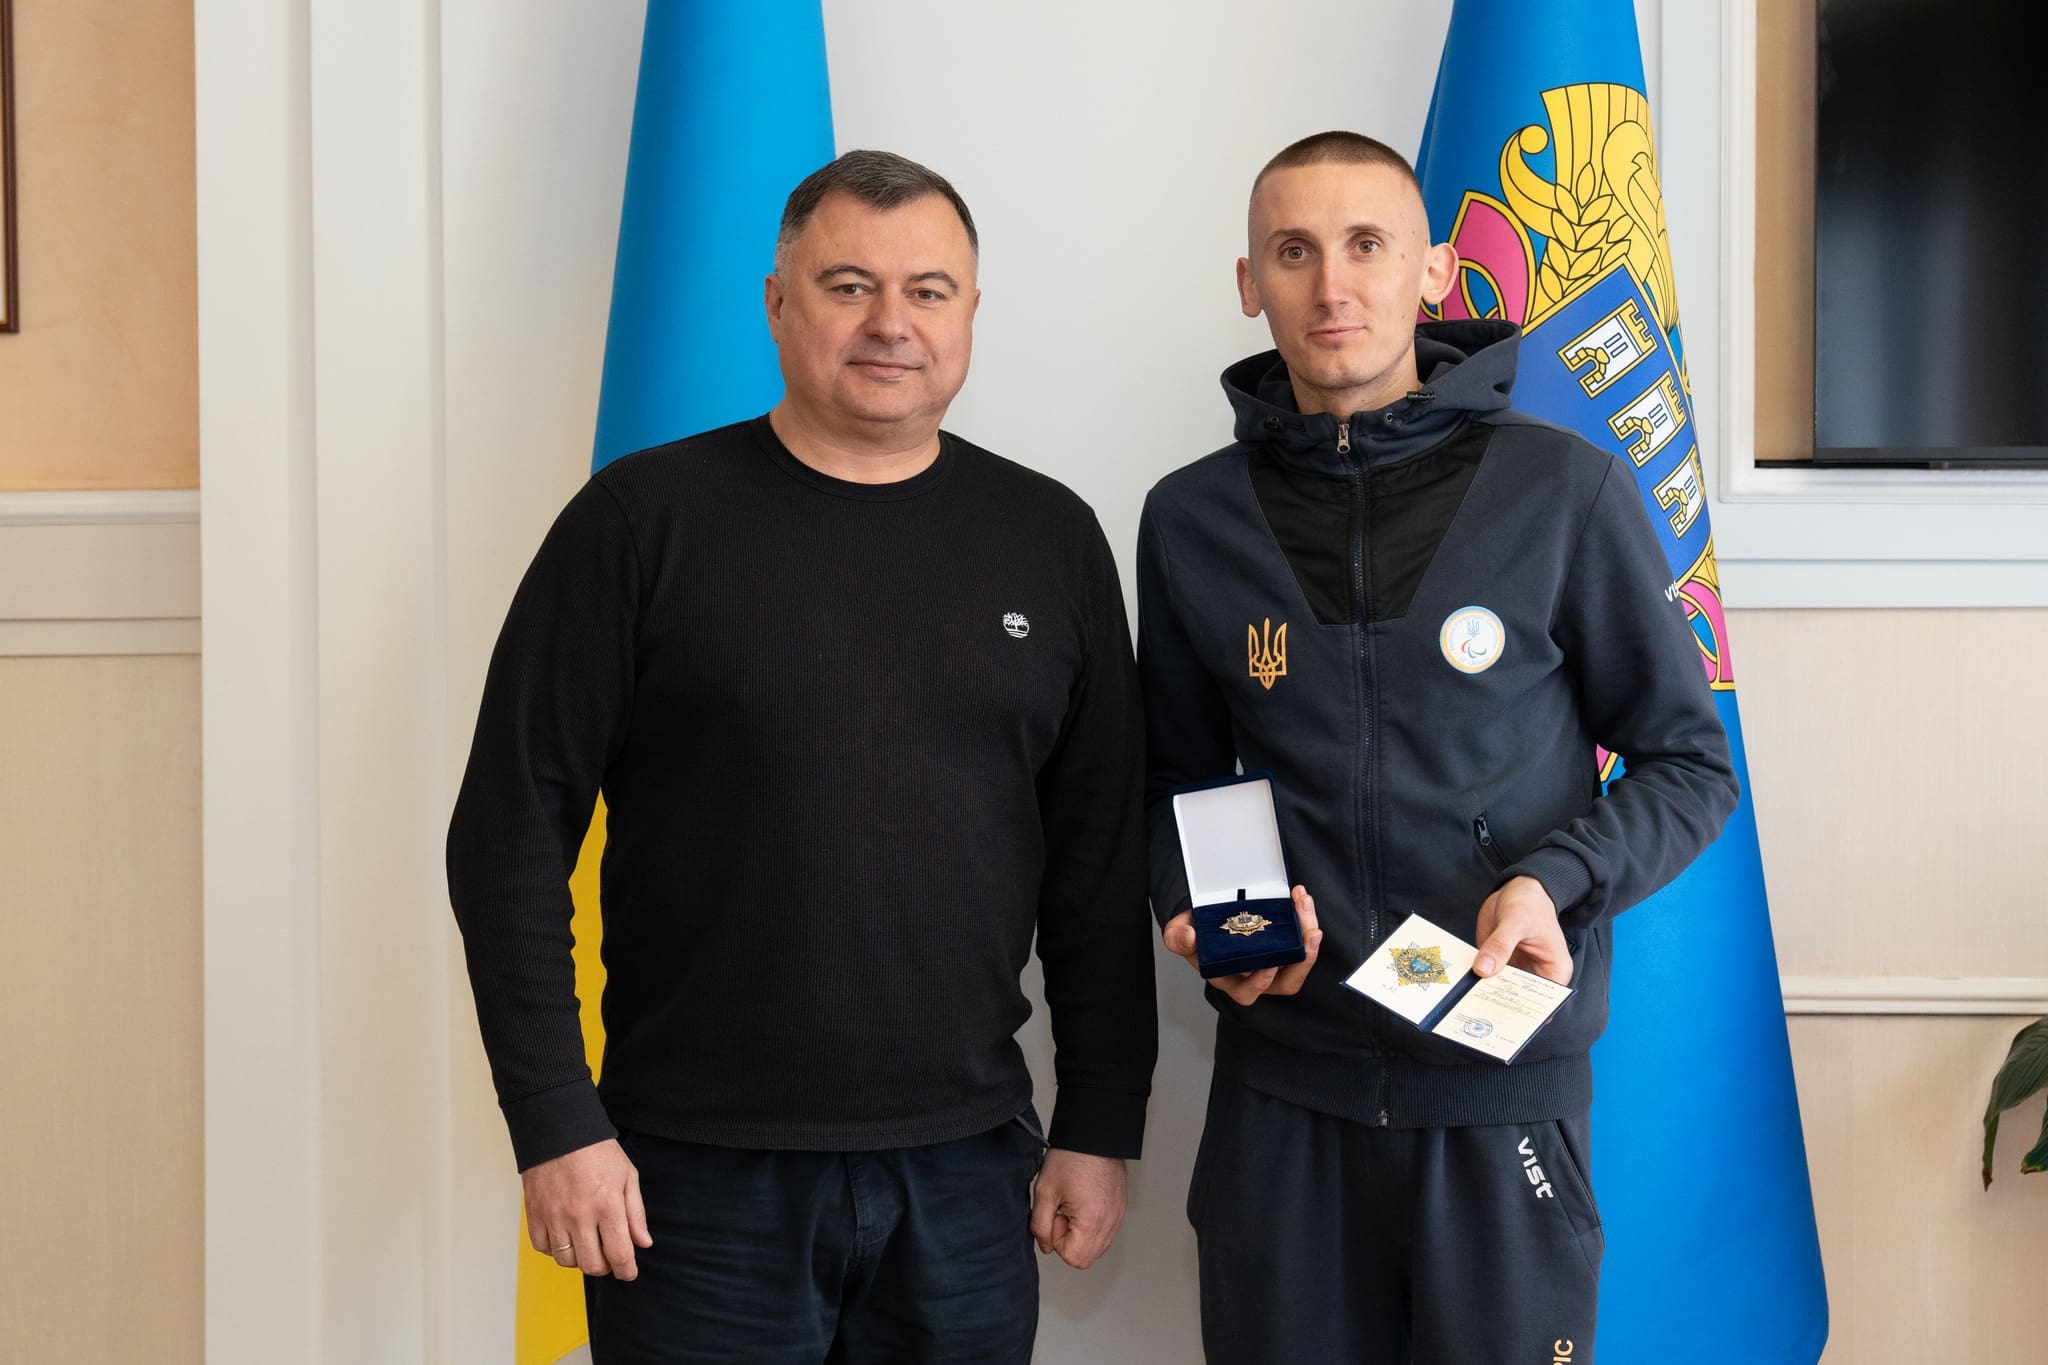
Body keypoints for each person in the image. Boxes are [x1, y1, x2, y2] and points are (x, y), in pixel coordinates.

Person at [448, 149, 1156, 1365]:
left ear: (969, 313)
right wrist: (555, 1120)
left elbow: (1097, 863)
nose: (890, 323)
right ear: (777, 305)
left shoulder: (1050, 539)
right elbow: (509, 836)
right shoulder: (638, 524)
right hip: (688, 1181)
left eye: (927, 291)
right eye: (847, 286)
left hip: (967, 1175)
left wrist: (1099, 1120)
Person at [1138, 131, 1739, 1364]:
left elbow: (1688, 764)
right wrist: (1208, 918)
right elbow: (1175, 780)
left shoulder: (1563, 491)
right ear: (1248, 283)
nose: (1330, 286)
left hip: (1497, 1090)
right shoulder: (1189, 517)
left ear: (1431, 272)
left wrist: (1552, 881)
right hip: (1281, 1095)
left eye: (1366, 245)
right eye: (1292, 252)